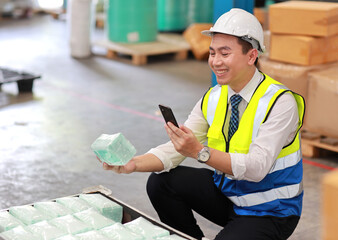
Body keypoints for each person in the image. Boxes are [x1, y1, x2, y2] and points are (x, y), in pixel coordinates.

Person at [101, 8, 305, 240]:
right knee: (161, 182)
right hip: (229, 195)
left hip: (270, 210)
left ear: (251, 56)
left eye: (225, 54)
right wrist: (133, 164)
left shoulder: (280, 102)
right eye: (212, 53)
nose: (215, 62)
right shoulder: (215, 96)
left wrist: (200, 152)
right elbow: (176, 149)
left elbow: (257, 168)